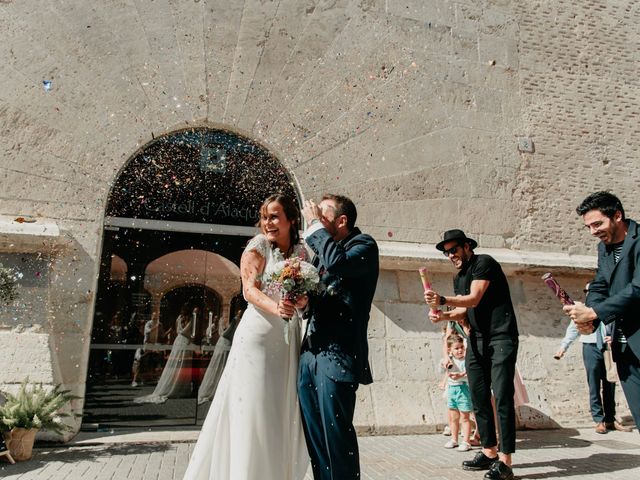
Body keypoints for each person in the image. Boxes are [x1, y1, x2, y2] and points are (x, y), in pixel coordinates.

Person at [183, 194, 309, 480]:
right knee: (254, 407)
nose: (268, 223)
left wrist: (300, 302)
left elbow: (304, 293)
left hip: (288, 337)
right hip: (259, 335)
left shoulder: (302, 252)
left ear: (291, 219)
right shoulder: (258, 246)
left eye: (275, 216)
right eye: (265, 217)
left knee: (278, 407)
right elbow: (249, 290)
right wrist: (276, 307)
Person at [425, 229, 518, 480]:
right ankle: (489, 452)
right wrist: (443, 315)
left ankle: (506, 461)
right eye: (446, 253)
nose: (450, 255)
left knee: (502, 397)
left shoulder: (483, 263)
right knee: (478, 396)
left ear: (467, 246)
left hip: (500, 337)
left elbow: (474, 299)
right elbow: (462, 312)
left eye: (453, 249)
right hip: (475, 340)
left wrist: (443, 299)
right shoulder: (459, 277)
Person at [299, 194, 379, 480]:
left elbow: (338, 264)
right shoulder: (324, 250)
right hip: (310, 353)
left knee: (336, 439)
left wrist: (313, 225)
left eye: (322, 213)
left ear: (341, 220)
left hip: (338, 356)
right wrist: (304, 303)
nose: (316, 217)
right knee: (316, 438)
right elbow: (322, 296)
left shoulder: (364, 245)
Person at [563, 191, 640, 431]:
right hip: (624, 347)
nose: (593, 231)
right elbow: (599, 285)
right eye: (588, 227)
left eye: (597, 224)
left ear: (617, 215)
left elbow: (637, 288)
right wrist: (588, 313)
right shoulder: (603, 248)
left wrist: (595, 313)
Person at [555, 283, 631, 433]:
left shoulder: (608, 308)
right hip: (590, 347)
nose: (590, 293)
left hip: (608, 347)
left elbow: (617, 326)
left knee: (610, 382)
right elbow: (573, 330)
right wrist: (563, 348)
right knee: (594, 384)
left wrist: (614, 338)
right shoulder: (582, 310)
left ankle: (610, 418)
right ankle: (598, 419)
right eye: (587, 291)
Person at [134, 305, 194, 404]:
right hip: (184, 342)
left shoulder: (180, 318)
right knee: (180, 364)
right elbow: (185, 331)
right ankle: (179, 388)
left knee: (178, 365)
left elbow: (173, 331)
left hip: (180, 341)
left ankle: (178, 387)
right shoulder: (187, 319)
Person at [197, 310, 242, 404]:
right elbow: (224, 333)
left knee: (223, 367)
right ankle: (213, 390)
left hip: (227, 344)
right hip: (225, 344)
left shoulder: (231, 320)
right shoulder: (231, 320)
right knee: (218, 366)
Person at [443, 334, 473, 452]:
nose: (460, 350)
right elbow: (443, 371)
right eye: (456, 348)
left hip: (463, 389)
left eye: (461, 347)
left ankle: (466, 441)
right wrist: (445, 362)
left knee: (465, 417)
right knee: (453, 417)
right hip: (451, 389)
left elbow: (469, 374)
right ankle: (454, 439)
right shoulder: (450, 360)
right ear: (450, 350)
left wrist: (461, 375)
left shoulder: (467, 360)